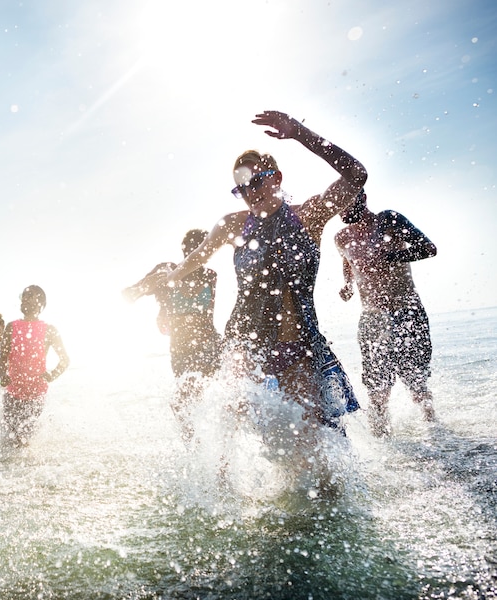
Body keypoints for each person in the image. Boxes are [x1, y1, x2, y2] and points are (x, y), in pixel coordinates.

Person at [164, 110, 368, 432]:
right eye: (241, 189)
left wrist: (301, 133)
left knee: (312, 442)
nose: (250, 193)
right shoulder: (233, 225)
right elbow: (196, 258)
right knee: (232, 434)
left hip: (298, 346)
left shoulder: (309, 216)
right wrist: (169, 277)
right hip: (246, 347)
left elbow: (357, 176)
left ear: (277, 178)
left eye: (256, 182)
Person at [334, 189, 437, 437]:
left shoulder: (388, 220)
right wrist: (347, 284)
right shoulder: (340, 238)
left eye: (347, 204)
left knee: (417, 385)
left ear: (363, 198)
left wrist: (391, 256)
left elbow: (429, 248)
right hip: (372, 317)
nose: (342, 211)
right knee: (376, 390)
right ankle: (383, 445)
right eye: (339, 207)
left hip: (407, 311)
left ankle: (435, 431)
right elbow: (347, 261)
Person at [122, 229, 222, 442]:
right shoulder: (166, 271)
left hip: (209, 343)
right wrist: (149, 285)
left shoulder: (211, 276)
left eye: (203, 249)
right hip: (181, 348)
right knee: (183, 402)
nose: (198, 253)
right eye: (192, 248)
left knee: (207, 395)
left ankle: (213, 448)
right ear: (185, 251)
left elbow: (207, 316)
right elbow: (128, 295)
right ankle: (194, 447)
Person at [0, 285, 70, 445]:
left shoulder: (49, 330)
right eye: (23, 296)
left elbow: (65, 359)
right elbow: (2, 359)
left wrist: (52, 375)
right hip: (12, 393)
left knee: (24, 439)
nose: (25, 299)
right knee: (10, 440)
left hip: (36, 394)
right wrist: (3, 375)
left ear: (40, 303)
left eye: (30, 296)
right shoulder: (11, 327)